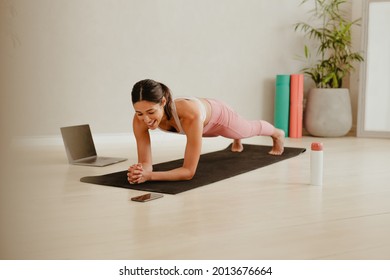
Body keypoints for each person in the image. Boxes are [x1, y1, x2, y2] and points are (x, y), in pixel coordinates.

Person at [127, 79, 285, 184]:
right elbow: (146, 163)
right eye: (139, 113)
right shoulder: (139, 120)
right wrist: (141, 171)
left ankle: (277, 133)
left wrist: (150, 177)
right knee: (231, 134)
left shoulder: (189, 115)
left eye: (150, 112)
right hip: (201, 124)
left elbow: (188, 172)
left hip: (219, 117)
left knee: (246, 130)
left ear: (163, 102)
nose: (146, 119)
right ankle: (236, 138)